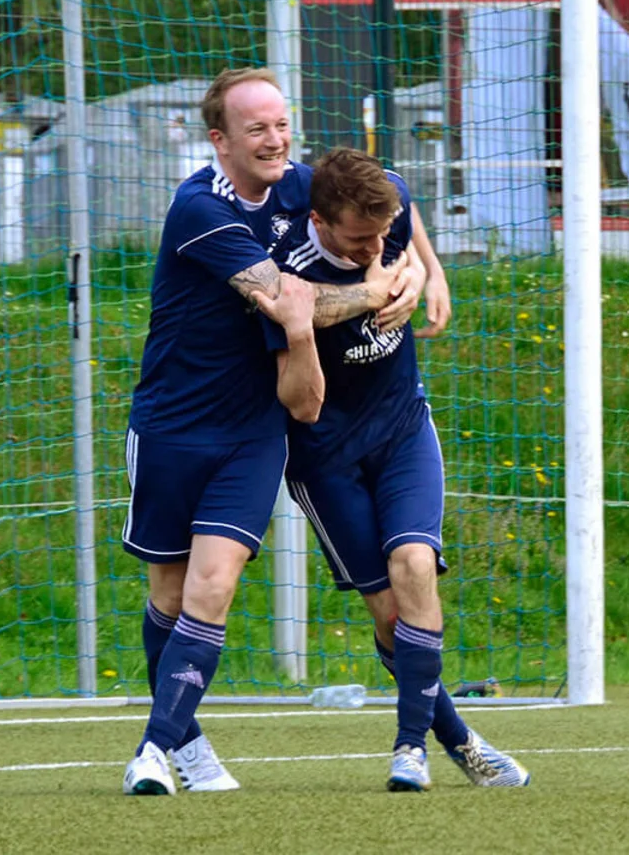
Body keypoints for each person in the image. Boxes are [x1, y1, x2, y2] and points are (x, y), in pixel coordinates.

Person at [121, 68, 426, 796]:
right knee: (169, 593)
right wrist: (377, 290)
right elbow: (292, 302)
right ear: (219, 138)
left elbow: (392, 195)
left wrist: (421, 270)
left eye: (282, 123)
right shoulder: (200, 208)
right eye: (256, 128)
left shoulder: (301, 183)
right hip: (173, 424)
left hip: (256, 430)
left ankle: (153, 752)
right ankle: (187, 746)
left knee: (214, 584)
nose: (275, 139)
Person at [272, 147, 529, 792]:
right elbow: (303, 342)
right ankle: (462, 741)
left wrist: (430, 271)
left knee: (415, 564)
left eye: (383, 233)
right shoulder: (286, 270)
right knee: (387, 613)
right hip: (323, 453)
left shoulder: (386, 203)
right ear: (321, 221)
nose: (376, 245)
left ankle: (408, 747)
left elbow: (404, 213)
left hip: (402, 427)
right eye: (361, 238)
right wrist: (372, 290)